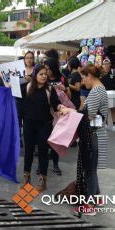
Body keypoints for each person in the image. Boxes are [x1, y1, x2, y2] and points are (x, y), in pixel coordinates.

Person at [62, 65, 108, 215]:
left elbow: (88, 116)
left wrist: (70, 111)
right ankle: (96, 197)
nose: (82, 82)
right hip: (95, 133)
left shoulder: (96, 91)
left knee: (89, 170)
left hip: (91, 135)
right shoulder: (100, 89)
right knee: (91, 169)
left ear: (89, 76)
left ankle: (90, 205)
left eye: (83, 78)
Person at [22, 64, 63, 191]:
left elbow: (56, 104)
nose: (44, 76)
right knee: (28, 151)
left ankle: (42, 181)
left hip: (45, 124)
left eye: (45, 74)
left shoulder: (50, 89)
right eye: (41, 74)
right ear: (35, 75)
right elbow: (18, 103)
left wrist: (62, 108)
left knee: (43, 152)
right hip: (28, 124)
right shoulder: (26, 87)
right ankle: (26, 177)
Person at [44, 58, 71, 176]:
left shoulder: (62, 78)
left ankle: (55, 164)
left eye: (49, 69)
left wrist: (64, 89)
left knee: (56, 139)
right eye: (45, 70)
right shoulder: (43, 79)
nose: (47, 72)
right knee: (44, 139)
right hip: (45, 113)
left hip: (58, 113)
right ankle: (42, 165)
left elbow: (69, 95)